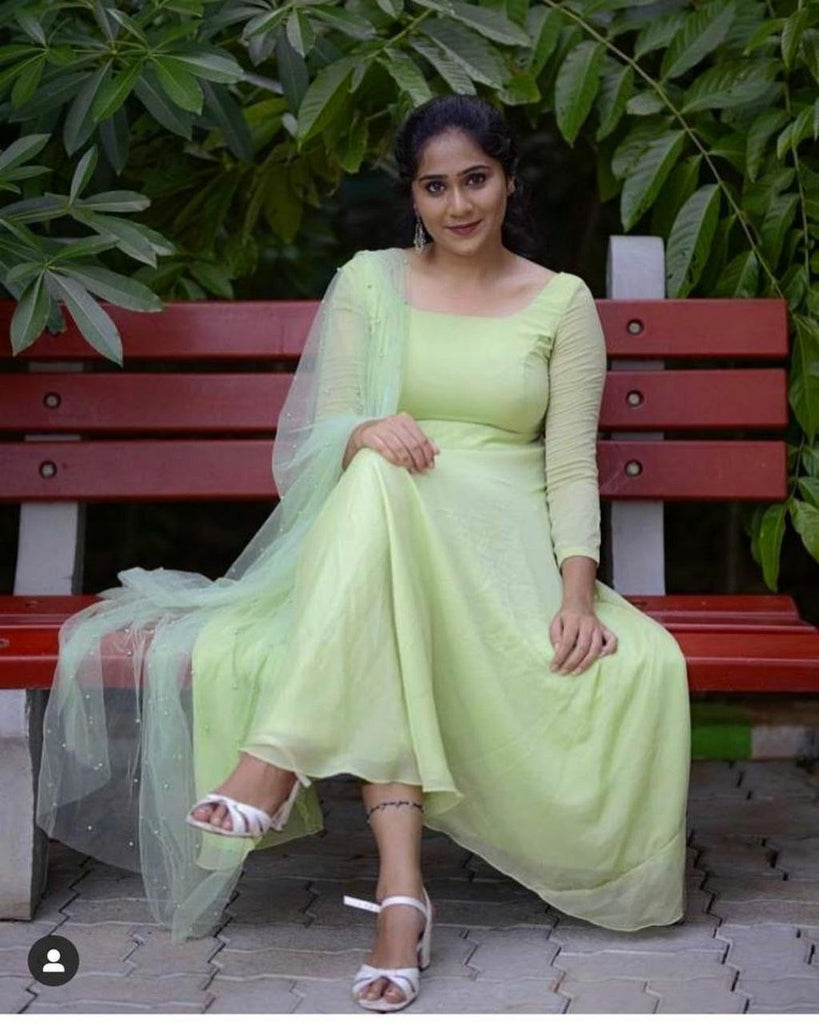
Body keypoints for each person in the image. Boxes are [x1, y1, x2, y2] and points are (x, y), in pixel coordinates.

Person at [35, 94, 691, 1014]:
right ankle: (399, 896)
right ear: (411, 197)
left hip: (499, 538)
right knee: (379, 486)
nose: (458, 204)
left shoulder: (560, 301)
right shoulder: (368, 283)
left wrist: (577, 594)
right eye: (435, 187)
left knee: (383, 523)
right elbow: (317, 435)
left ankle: (276, 758)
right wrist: (362, 432)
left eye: (475, 179)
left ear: (508, 180)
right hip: (378, 532)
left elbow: (572, 465)